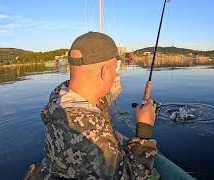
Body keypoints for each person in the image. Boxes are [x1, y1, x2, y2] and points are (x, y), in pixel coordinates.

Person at [24, 32, 158, 180]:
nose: (116, 75)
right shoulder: (91, 137)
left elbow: (103, 101)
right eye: (115, 69)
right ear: (105, 71)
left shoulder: (60, 98)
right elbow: (134, 176)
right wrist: (144, 128)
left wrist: (111, 134)